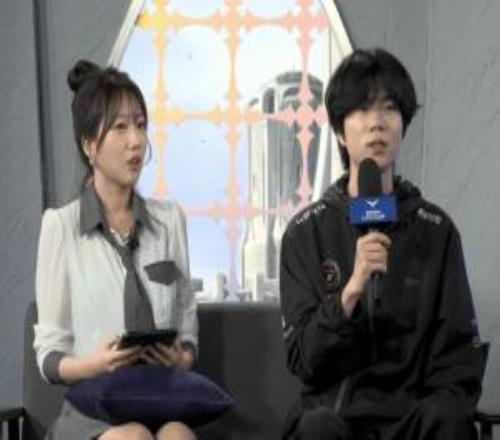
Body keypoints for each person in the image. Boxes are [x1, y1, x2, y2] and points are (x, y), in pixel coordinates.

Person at [279, 48, 484, 440]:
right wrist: (349, 293)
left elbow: (457, 354)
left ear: (403, 124)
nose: (376, 123)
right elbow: (303, 359)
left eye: (389, 108)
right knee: (316, 429)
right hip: (336, 417)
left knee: (450, 419)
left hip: (414, 418)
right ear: (340, 132)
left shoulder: (436, 230)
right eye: (362, 109)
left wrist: (442, 406)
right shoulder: (305, 233)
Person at [34, 60, 198, 440]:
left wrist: (181, 357)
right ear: (89, 145)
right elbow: (49, 356)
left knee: (177, 435)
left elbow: (188, 326)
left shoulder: (170, 221)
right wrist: (95, 364)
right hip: (93, 406)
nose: (136, 140)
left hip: (159, 399)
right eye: (120, 127)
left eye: (140, 124)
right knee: (134, 437)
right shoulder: (61, 227)